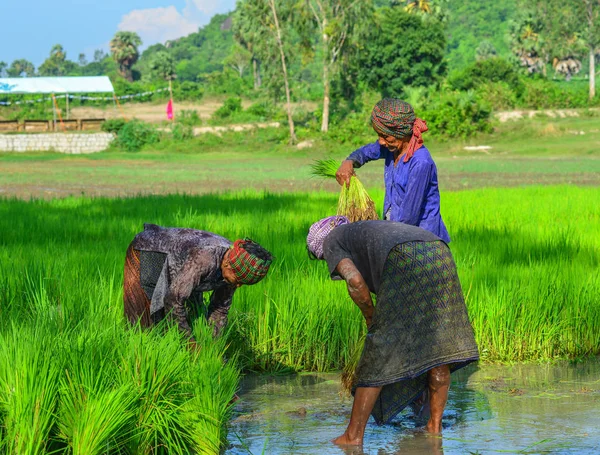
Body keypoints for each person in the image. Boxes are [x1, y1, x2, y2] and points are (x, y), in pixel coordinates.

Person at [306, 216, 479, 446]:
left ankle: (352, 437)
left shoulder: (331, 240)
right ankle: (434, 427)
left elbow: (355, 282)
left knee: (378, 354)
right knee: (438, 348)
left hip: (403, 260)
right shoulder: (365, 228)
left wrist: (371, 319)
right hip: (439, 252)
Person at [124, 223, 273, 345]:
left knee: (194, 314)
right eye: (239, 280)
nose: (238, 286)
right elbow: (173, 300)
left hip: (182, 264)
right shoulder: (205, 259)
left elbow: (220, 309)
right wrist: (190, 344)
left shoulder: (234, 266)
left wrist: (213, 346)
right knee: (149, 317)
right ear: (228, 265)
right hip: (151, 250)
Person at [335, 98, 450, 243]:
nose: (381, 141)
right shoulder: (391, 147)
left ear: (402, 133)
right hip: (397, 231)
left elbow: (409, 216)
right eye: (379, 135)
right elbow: (367, 152)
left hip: (422, 239)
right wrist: (349, 161)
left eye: (385, 136)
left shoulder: (420, 163)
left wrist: (380, 235)